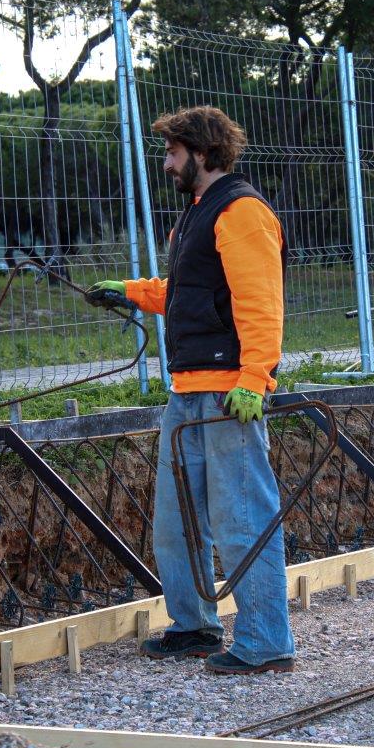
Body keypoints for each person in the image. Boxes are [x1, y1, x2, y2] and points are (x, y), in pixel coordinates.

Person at [84, 105, 293, 674]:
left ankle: (267, 641)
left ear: (201, 154)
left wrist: (256, 378)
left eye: (174, 153)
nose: (167, 163)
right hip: (189, 390)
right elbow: (188, 288)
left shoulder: (242, 211)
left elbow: (260, 302)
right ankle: (195, 626)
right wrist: (130, 291)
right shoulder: (198, 215)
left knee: (242, 520)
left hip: (229, 393)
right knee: (177, 523)